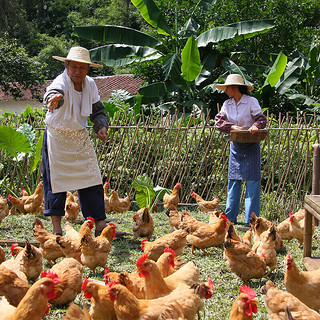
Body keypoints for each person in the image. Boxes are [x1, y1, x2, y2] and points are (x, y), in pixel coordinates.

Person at [42, 46, 120, 237]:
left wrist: (101, 126)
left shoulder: (90, 84)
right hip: (57, 137)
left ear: (88, 69)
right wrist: (54, 99)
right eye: (73, 67)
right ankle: (57, 230)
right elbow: (52, 94)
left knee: (92, 178)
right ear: (67, 65)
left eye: (82, 68)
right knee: (55, 182)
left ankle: (100, 224)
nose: (77, 71)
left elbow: (97, 110)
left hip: (79, 136)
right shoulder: (60, 82)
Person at [214, 74, 267, 229]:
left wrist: (255, 126)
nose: (225, 91)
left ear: (234, 87)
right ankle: (230, 218)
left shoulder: (251, 101)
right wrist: (231, 127)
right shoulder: (227, 103)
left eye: (227, 88)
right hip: (236, 145)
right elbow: (219, 121)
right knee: (233, 181)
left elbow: (261, 119)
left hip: (251, 145)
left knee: (252, 182)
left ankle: (250, 221)